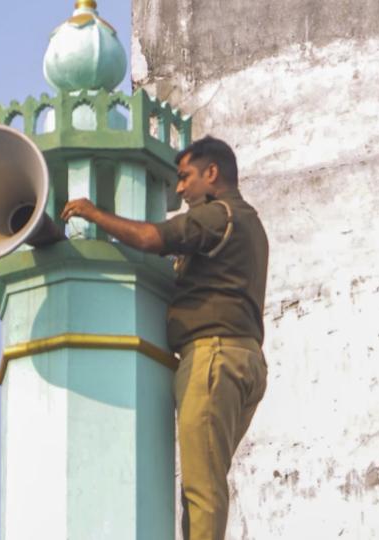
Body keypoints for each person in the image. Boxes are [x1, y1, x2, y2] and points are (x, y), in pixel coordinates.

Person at [61, 136, 269, 540]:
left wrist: (92, 213)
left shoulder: (219, 214)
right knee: (202, 479)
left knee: (202, 487)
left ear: (212, 174)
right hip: (243, 360)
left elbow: (151, 239)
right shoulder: (249, 222)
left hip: (214, 355)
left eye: (185, 177)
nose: (179, 188)